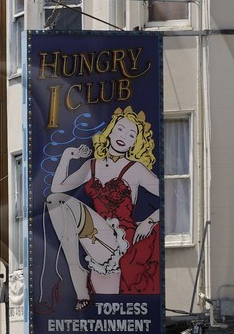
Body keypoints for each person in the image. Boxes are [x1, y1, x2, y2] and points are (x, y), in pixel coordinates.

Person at [46, 105, 162, 310]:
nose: (123, 136)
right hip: (96, 237)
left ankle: (80, 276)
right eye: (120, 129)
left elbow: (168, 195)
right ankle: (77, 273)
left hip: (121, 238)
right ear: (110, 131)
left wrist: (149, 221)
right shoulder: (92, 165)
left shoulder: (135, 169)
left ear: (136, 142)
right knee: (55, 202)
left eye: (131, 134)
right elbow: (57, 189)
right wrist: (67, 155)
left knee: (59, 202)